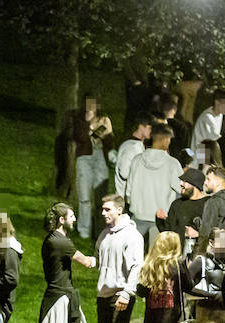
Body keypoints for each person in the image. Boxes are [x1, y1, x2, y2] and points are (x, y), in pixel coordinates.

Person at [39, 203, 96, 323]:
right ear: (62, 220)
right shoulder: (59, 241)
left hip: (69, 294)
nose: (74, 219)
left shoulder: (58, 239)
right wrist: (102, 256)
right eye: (71, 216)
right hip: (58, 297)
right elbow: (86, 262)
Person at [94, 195, 144, 323]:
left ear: (119, 210)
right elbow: (99, 258)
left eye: (107, 209)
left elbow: (136, 266)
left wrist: (127, 292)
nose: (103, 213)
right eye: (103, 209)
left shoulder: (132, 235)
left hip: (121, 292)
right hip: (104, 292)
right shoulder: (104, 234)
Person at [124, 122, 183, 250]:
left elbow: (128, 191)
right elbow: (182, 189)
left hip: (138, 215)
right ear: (166, 140)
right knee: (156, 260)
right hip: (161, 219)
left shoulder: (137, 160)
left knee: (133, 256)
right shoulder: (172, 164)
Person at [72, 95, 113, 240]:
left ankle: (100, 229)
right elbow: (81, 138)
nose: (91, 107)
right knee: (84, 195)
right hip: (85, 158)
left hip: (100, 157)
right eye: (88, 104)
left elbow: (109, 142)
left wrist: (105, 134)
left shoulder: (104, 119)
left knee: (101, 194)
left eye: (93, 104)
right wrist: (89, 125)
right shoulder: (79, 120)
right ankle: (84, 229)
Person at [112, 118, 152, 202]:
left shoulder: (136, 144)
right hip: (125, 197)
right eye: (149, 128)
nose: (151, 132)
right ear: (141, 127)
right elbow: (124, 173)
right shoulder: (132, 146)